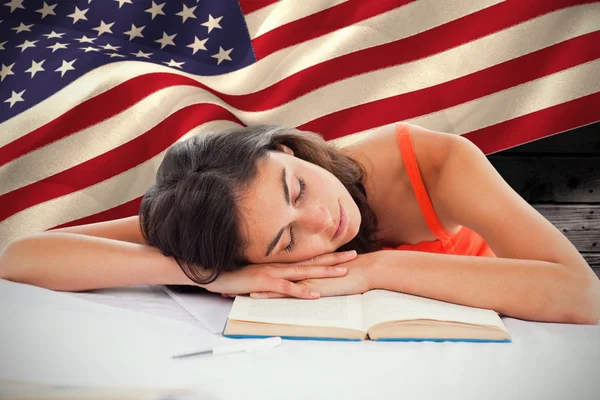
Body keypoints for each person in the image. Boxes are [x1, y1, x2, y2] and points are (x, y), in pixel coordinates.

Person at [0, 123, 598, 324]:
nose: (323, 220)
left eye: (298, 188)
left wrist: (377, 269)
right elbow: (21, 256)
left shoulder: (438, 161)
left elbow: (582, 295)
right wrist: (206, 274)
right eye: (287, 241)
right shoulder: (224, 222)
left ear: (284, 151)